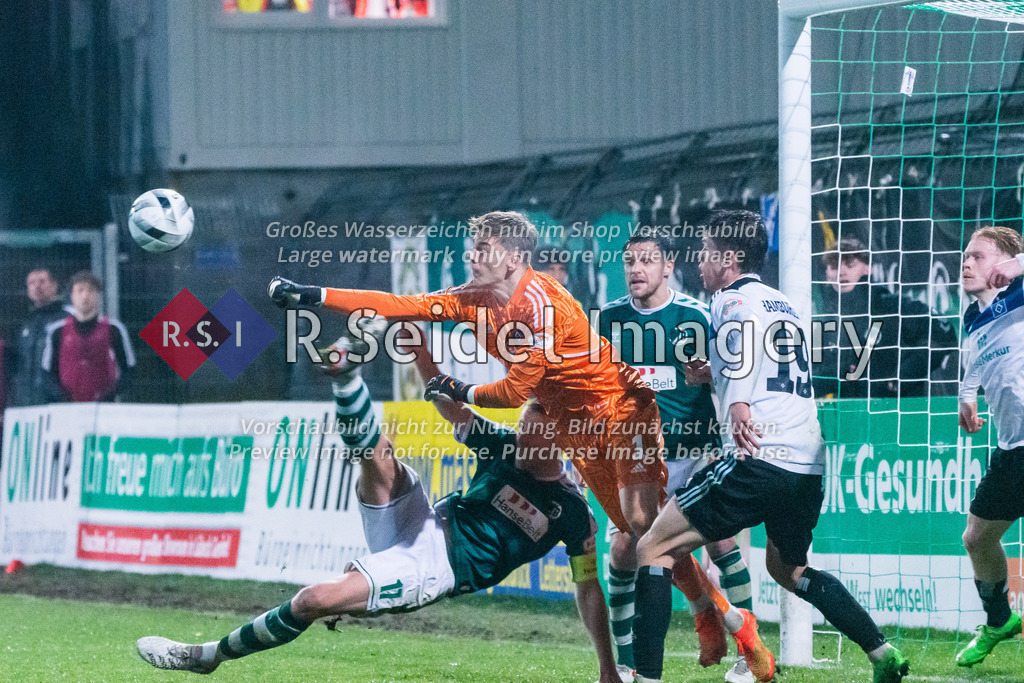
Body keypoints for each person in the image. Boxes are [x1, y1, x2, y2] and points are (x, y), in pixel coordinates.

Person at [268, 210, 774, 678]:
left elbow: (511, 393)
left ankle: (703, 623)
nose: (471, 255)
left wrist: (455, 388)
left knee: (645, 529)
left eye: (481, 247)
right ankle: (719, 611)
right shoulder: (474, 298)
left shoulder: (543, 304)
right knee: (638, 535)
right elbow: (402, 305)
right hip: (571, 426)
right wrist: (313, 295)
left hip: (622, 409)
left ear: (512, 258)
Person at [138, 325, 625, 682]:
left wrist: (607, 668)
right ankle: (345, 378)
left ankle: (208, 656)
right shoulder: (500, 444)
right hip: (426, 520)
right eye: (526, 411)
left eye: (536, 416)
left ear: (561, 435)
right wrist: (418, 346)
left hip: (437, 570)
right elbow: (449, 402)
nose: (523, 422)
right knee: (378, 454)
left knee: (311, 601)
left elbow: (587, 586)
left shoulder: (572, 510)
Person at [630, 210, 909, 683]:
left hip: (761, 453)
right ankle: (882, 653)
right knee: (789, 568)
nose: (700, 263)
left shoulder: (730, 299)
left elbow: (743, 346)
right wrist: (713, 372)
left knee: (652, 547)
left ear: (730, 259)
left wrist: (735, 398)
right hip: (807, 463)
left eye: (706, 253)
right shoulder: (782, 304)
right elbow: (762, 359)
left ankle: (647, 679)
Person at [598, 228, 755, 683]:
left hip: (695, 451)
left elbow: (731, 378)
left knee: (721, 542)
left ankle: (749, 652)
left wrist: (711, 381)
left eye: (647, 261)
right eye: (630, 262)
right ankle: (626, 665)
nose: (636, 270)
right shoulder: (608, 320)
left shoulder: (697, 316)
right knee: (626, 549)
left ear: (668, 266)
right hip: (636, 458)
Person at [954, 225, 1024, 667]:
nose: (966, 263)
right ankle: (999, 620)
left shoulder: (1019, 293)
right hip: (1013, 449)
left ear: (1002, 263)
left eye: (978, 256)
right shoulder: (971, 317)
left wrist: (1019, 265)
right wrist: (966, 395)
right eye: (966, 255)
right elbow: (976, 357)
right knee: (977, 538)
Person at [813, 238, 958, 399]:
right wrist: (840, 373)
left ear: (868, 269)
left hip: (895, 414)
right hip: (848, 416)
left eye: (849, 264)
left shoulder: (890, 306)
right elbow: (812, 381)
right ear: (827, 274)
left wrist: (900, 379)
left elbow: (945, 335)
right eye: (834, 266)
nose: (841, 272)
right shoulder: (826, 322)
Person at [41, 271, 135, 402]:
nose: (85, 296)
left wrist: (109, 395)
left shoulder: (115, 329)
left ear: (98, 295)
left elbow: (129, 371)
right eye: (80, 290)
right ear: (72, 296)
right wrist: (60, 396)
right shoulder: (57, 331)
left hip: (103, 409)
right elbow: (47, 372)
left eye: (91, 290)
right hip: (67, 408)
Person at [7, 268, 70, 406]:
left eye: (42, 281)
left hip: (56, 404)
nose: (37, 286)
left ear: (54, 285)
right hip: (25, 404)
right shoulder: (24, 322)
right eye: (32, 283)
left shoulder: (67, 320)